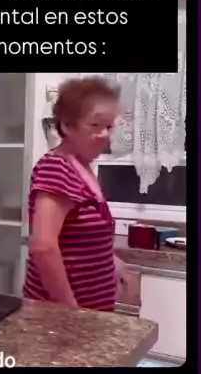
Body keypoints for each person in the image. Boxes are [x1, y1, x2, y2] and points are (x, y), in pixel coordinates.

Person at [23, 76, 137, 311]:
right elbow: (44, 248)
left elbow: (77, 239)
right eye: (95, 125)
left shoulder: (82, 167)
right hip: (60, 316)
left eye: (109, 127)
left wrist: (113, 263)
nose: (104, 135)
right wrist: (73, 313)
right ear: (67, 125)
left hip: (92, 311)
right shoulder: (56, 168)